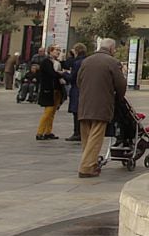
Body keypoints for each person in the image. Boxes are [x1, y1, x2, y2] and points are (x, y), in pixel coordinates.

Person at [76, 38, 126, 178]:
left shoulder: (86, 61)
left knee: (86, 135)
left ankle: (90, 163)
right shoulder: (112, 62)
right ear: (111, 49)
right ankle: (86, 167)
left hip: (85, 104)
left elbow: (78, 80)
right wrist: (119, 98)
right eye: (114, 49)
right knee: (96, 136)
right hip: (102, 104)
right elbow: (121, 84)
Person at [35, 45, 66, 141]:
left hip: (57, 89)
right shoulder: (46, 62)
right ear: (50, 51)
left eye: (59, 50)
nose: (58, 52)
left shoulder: (57, 62)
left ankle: (48, 131)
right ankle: (40, 132)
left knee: (52, 112)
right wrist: (61, 74)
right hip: (49, 89)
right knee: (48, 111)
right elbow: (51, 73)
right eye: (56, 50)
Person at [62, 43, 88, 141]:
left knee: (76, 111)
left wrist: (64, 74)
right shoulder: (87, 60)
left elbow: (73, 78)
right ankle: (82, 132)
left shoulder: (77, 63)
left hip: (77, 89)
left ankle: (77, 133)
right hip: (85, 89)